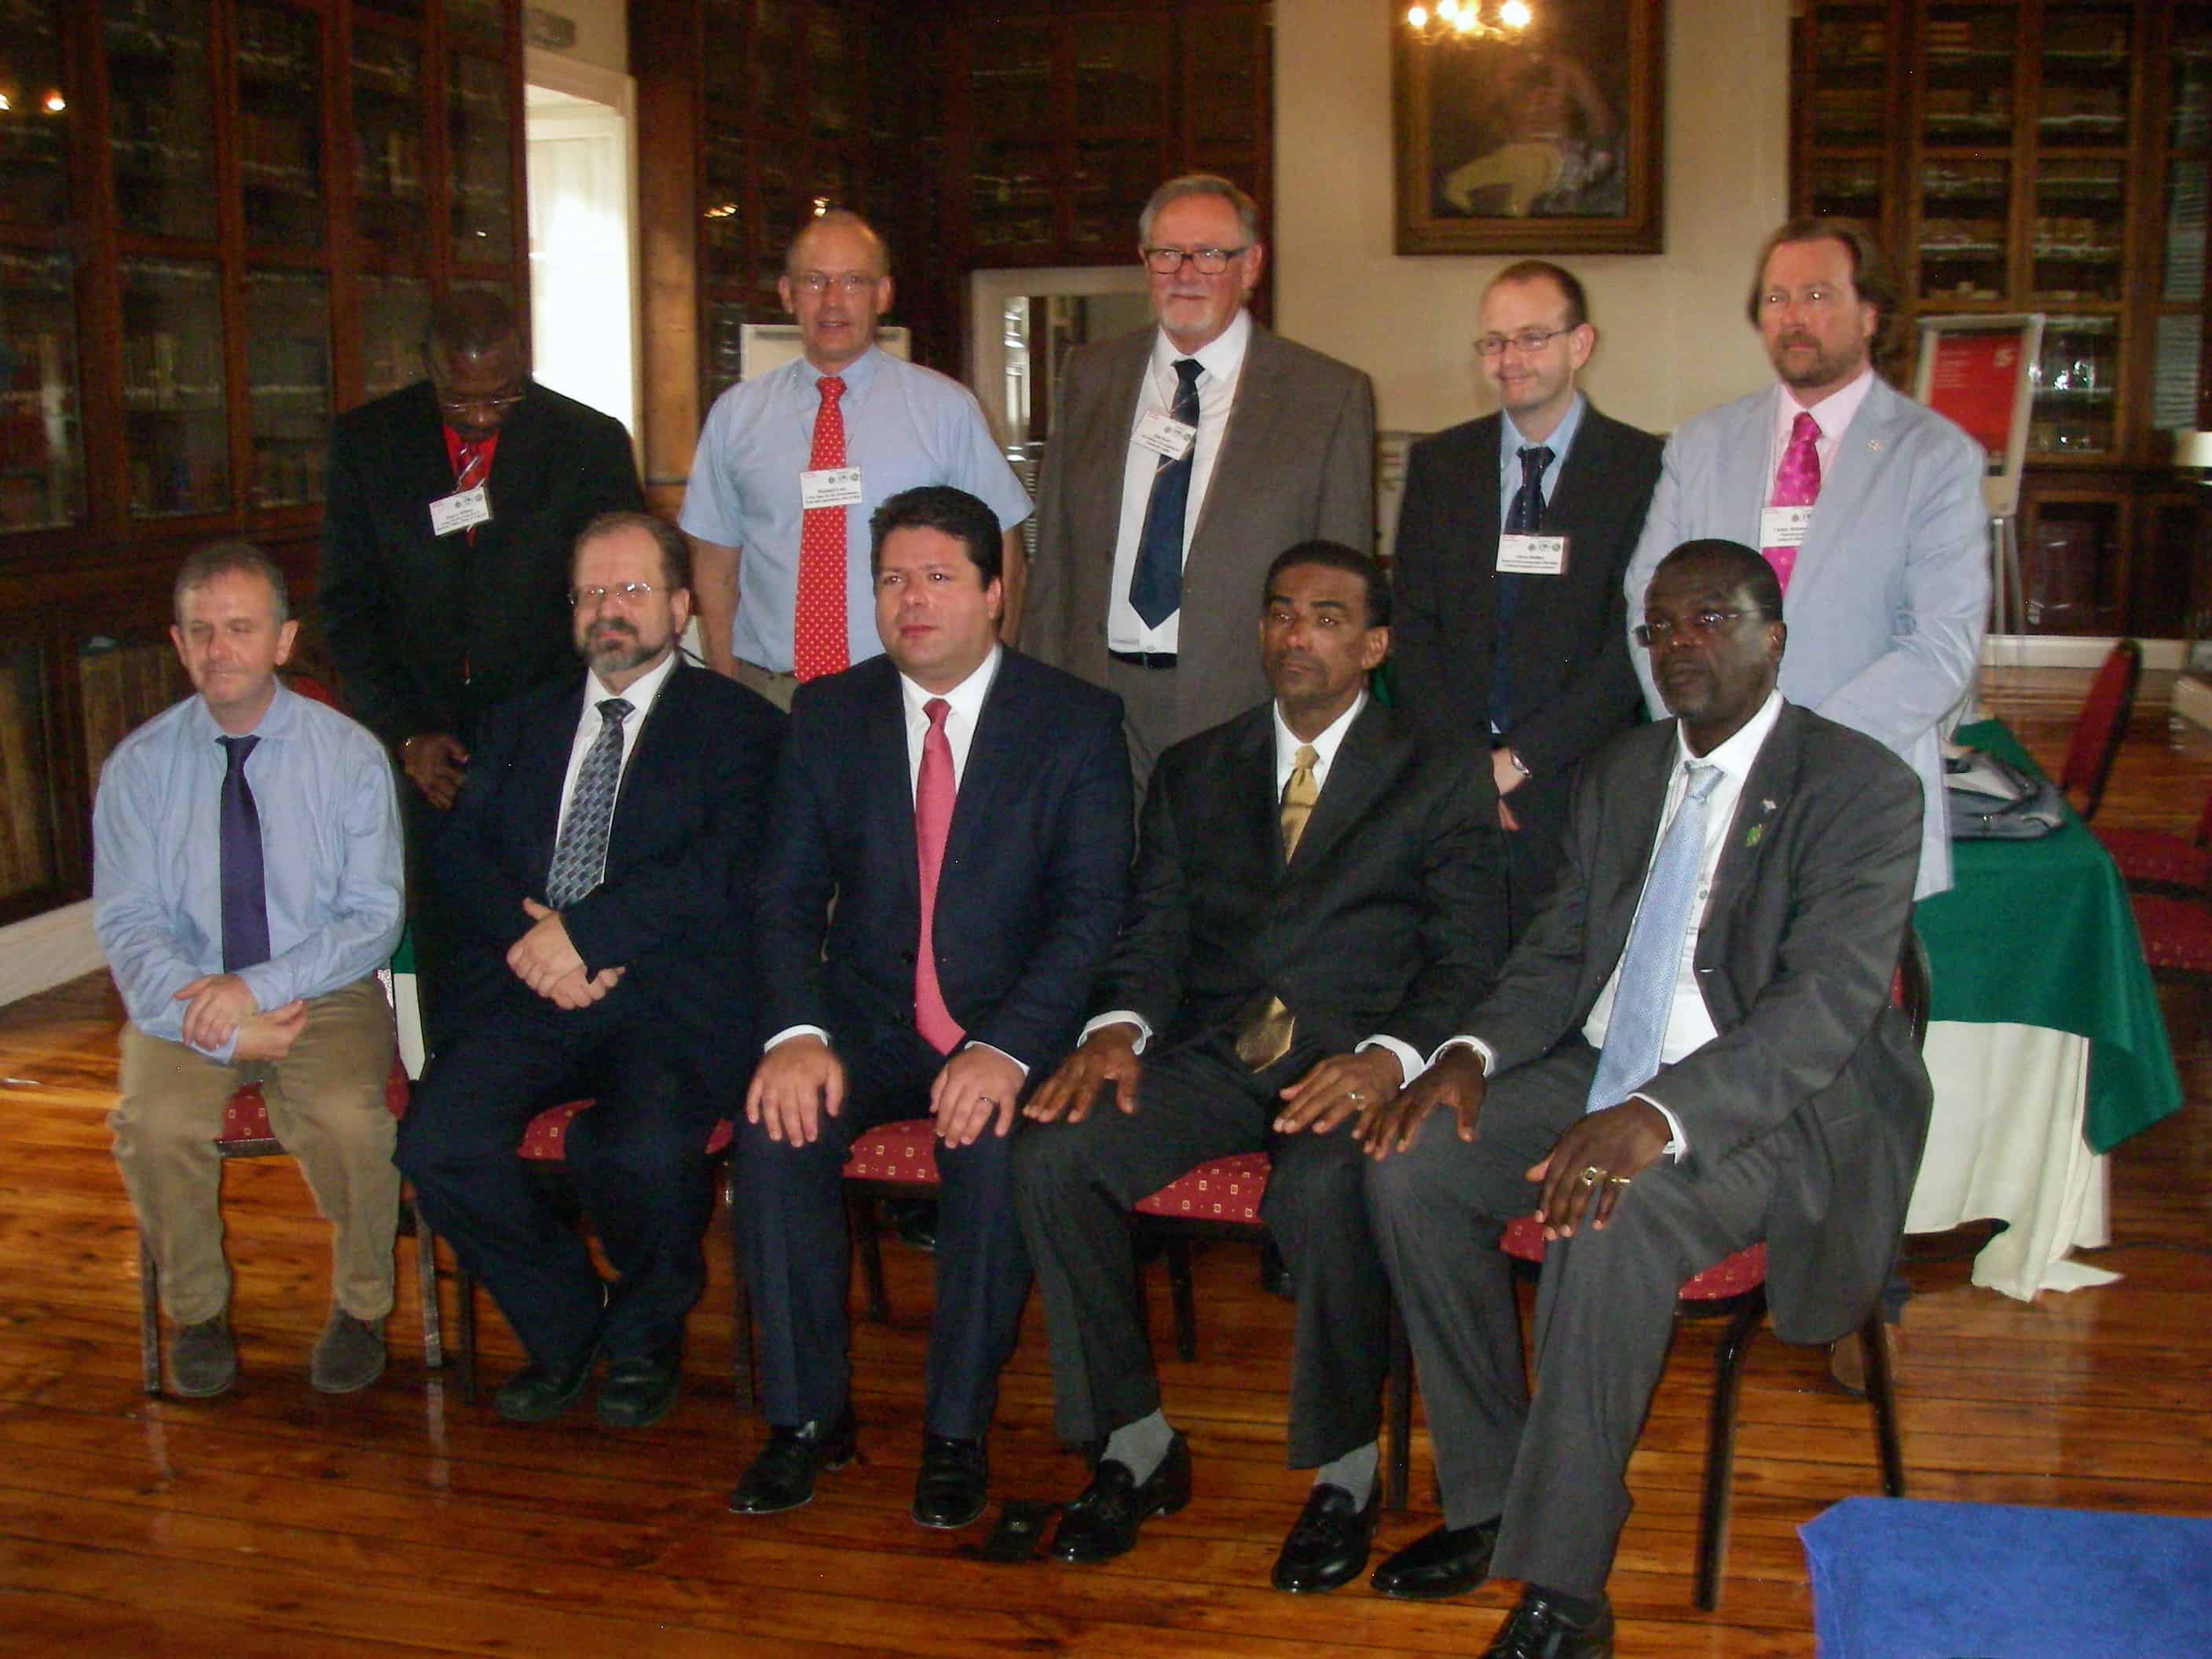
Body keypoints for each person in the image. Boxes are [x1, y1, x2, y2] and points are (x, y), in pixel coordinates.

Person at [1359, 540, 1932, 1658]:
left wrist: (1661, 1116)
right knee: (1410, 1161)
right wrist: (1470, 1051)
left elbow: (1823, 1008)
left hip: (1769, 1104)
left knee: (1604, 1212)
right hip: (1603, 1065)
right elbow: (1558, 948)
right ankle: (1492, 1499)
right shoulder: (1623, 773)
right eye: (1660, 626)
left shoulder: (1861, 786)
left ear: (1775, 635)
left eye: (1711, 618)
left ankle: (1566, 1587)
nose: (1680, 644)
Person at [1014, 543, 1506, 1593]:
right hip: (1213, 1052)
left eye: (1328, 618)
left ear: (1374, 646)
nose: (1297, 636)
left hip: (1353, 1060)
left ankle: (1345, 1470)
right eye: (1281, 613)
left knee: (1335, 1186)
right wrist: (1117, 1025)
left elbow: (1470, 960)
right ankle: (1133, 1443)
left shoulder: (1439, 767)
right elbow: (1152, 934)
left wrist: (1388, 1060)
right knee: (1056, 1151)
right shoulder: (1198, 766)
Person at [732, 485, 1130, 1531]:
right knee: (775, 1132)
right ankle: (807, 1422)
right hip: (866, 1022)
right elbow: (778, 896)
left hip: (1009, 1027)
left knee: (995, 1150)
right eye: (892, 580)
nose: (913, 600)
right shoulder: (829, 713)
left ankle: (956, 1430)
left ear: (996, 593)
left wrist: (1006, 1048)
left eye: (939, 577)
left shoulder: (1075, 723)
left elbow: (1092, 917)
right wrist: (795, 1032)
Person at [396, 512, 784, 1431]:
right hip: (529, 989)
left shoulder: (740, 727)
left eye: (634, 591)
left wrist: (591, 936)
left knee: (635, 1149)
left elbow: (725, 867)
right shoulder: (518, 719)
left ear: (683, 608)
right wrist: (540, 946)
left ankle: (648, 1336)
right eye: (591, 593)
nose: (610, 610)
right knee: (435, 1145)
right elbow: (462, 853)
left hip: (664, 995)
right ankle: (572, 1328)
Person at [95, 543, 405, 1399]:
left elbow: (373, 918)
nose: (218, 649)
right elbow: (128, 923)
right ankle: (197, 1312)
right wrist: (222, 1014)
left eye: (240, 628)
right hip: (188, 995)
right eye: (201, 632)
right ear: (177, 642)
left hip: (322, 988)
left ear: (283, 639)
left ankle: (361, 1307)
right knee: (152, 1123)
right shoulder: (139, 769)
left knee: (349, 1116)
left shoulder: (347, 757)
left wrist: (257, 992)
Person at [1624, 217, 1987, 903]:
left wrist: (1794, 748)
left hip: (1855, 785)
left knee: (1833, 1005)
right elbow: (1647, 601)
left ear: (1871, 313)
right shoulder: (1701, 445)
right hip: (1711, 782)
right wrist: (1704, 732)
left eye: (1817, 296)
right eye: (1775, 299)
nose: (1793, 317)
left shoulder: (1936, 456)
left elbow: (1942, 644)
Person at [319, 291, 644, 1048]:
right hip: (423, 736)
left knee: (553, 924)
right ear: (426, 369)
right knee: (445, 937)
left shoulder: (586, 442)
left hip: (553, 733)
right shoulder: (369, 443)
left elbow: (618, 604)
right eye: (457, 398)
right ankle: (456, 1087)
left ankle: (559, 1082)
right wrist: (405, 734)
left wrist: (571, 727)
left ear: (523, 368)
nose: (478, 418)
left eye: (500, 397)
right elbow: (348, 608)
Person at [1024, 174, 1378, 789]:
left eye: (1211, 255)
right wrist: (1034, 696)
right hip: (1096, 699)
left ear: (1252, 266)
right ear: (1144, 262)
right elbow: (1052, 557)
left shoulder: (1327, 395)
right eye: (1167, 254)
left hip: (1243, 702)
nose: (1186, 273)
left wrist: (1322, 729)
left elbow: (1342, 587)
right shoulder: (1090, 376)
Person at [1392, 259, 1662, 942]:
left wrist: (1517, 765)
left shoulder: (1645, 469)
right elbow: (1414, 629)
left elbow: (1634, 641)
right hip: (1457, 789)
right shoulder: (1440, 465)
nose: (1510, 359)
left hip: (1579, 783)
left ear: (1581, 345)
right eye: (1494, 342)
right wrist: (1468, 775)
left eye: (1532, 337)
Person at [679, 210, 1034, 712]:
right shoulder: (736, 416)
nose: (832, 301)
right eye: (814, 281)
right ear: (786, 294)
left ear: (883, 294)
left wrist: (993, 681)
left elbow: (1004, 551)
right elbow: (715, 564)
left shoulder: (944, 409)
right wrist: (724, 685)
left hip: (906, 693)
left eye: (852, 281)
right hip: (771, 696)